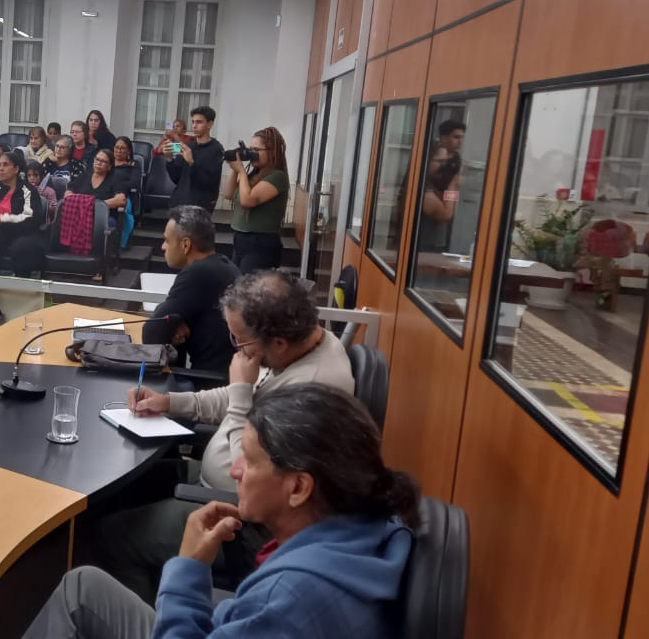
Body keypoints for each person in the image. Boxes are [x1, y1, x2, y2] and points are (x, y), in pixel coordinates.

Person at [24, 382, 419, 639]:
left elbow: (267, 613)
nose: (235, 470)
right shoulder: (375, 523)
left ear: (299, 487)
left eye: (249, 460)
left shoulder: (285, 600)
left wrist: (189, 567)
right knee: (85, 585)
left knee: (79, 588)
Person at [98, 270, 356, 600]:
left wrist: (241, 391)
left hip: (236, 518)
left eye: (239, 341)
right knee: (121, 488)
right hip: (210, 484)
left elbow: (247, 474)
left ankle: (149, 619)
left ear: (278, 343)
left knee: (114, 536)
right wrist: (170, 402)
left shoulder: (313, 392)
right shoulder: (303, 344)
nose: (235, 350)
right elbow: (238, 398)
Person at [142, 205, 241, 375]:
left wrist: (169, 325)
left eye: (167, 240)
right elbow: (163, 322)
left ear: (185, 245)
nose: (163, 247)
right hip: (226, 375)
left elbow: (151, 332)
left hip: (208, 382)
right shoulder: (223, 265)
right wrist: (173, 324)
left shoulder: (198, 273)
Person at [0, 150, 47, 277]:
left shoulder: (28, 190)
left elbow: (30, 219)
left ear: (16, 169)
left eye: (5, 165)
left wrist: (2, 219)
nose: (0, 169)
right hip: (2, 233)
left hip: (24, 233)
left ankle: (20, 284)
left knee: (21, 247)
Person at [225, 126, 291, 272]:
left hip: (260, 243)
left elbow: (248, 200)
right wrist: (235, 169)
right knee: (237, 283)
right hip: (241, 239)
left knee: (249, 285)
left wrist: (241, 171)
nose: (251, 154)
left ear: (272, 152)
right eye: (250, 149)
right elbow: (228, 194)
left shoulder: (277, 176)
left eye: (256, 150)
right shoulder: (253, 174)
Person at [419, 120, 465, 252]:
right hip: (423, 232)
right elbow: (427, 173)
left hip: (440, 233)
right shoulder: (433, 152)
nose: (460, 141)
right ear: (444, 138)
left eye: (462, 137)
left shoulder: (456, 158)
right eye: (456, 137)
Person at [167, 106, 225, 212]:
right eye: (193, 122)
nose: (194, 126)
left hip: (200, 207)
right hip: (178, 203)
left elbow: (208, 182)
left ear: (210, 124)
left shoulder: (216, 149)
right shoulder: (187, 145)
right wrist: (169, 159)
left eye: (199, 122)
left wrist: (191, 162)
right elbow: (176, 178)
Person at [68, 148, 128, 227]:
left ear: (110, 166)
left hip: (104, 216)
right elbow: (68, 192)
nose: (98, 163)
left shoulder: (115, 180)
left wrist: (95, 205)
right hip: (81, 213)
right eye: (97, 159)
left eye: (103, 161)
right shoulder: (84, 176)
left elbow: (121, 200)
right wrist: (78, 203)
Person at [25, 160, 58, 224]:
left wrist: (41, 201)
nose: (32, 178)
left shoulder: (49, 191)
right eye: (29, 175)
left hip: (43, 223)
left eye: (35, 175)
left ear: (42, 176)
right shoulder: (24, 190)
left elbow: (54, 210)